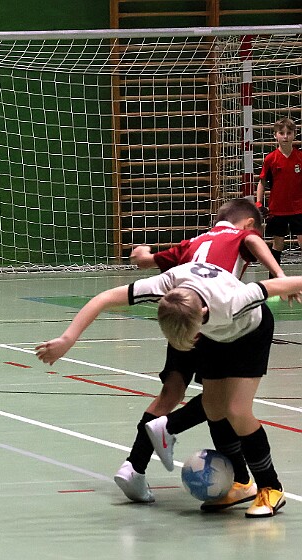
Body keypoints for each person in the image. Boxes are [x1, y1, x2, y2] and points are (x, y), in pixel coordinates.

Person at [35, 262, 302, 518]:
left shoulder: (234, 301)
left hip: (250, 332)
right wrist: (67, 339)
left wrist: (291, 286)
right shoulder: (164, 286)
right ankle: (241, 484)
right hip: (214, 335)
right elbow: (103, 298)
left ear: (203, 316)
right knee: (213, 408)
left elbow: (274, 286)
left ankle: (271, 487)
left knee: (236, 410)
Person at [115, 198, 284, 507]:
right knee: (225, 405)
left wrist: (143, 254)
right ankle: (172, 429)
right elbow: (251, 240)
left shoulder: (192, 243)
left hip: (179, 317)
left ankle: (134, 465)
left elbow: (147, 262)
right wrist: (277, 272)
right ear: (249, 224)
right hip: (211, 319)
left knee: (182, 395)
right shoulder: (240, 236)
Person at [255, 117, 302, 273]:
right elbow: (262, 182)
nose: (285, 136)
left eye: (289, 133)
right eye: (281, 133)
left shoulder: (300, 157)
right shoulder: (271, 159)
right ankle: (274, 278)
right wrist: (258, 202)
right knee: (278, 244)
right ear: (275, 135)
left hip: (299, 208)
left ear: (295, 134)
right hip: (278, 209)